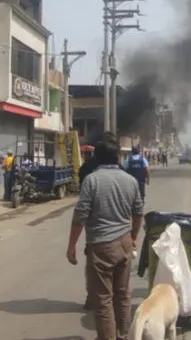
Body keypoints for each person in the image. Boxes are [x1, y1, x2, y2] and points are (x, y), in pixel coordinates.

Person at [67, 138, 143, 340]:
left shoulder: (92, 180)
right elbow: (138, 212)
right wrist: (134, 236)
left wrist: (72, 245)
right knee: (123, 295)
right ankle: (123, 335)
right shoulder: (130, 180)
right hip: (125, 242)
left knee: (102, 300)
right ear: (118, 157)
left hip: (101, 246)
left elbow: (80, 215)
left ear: (96, 158)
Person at [77, 132, 124, 311]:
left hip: (95, 227)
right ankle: (112, 301)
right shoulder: (119, 170)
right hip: (119, 227)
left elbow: (82, 203)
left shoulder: (87, 168)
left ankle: (93, 297)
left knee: (93, 265)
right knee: (118, 269)